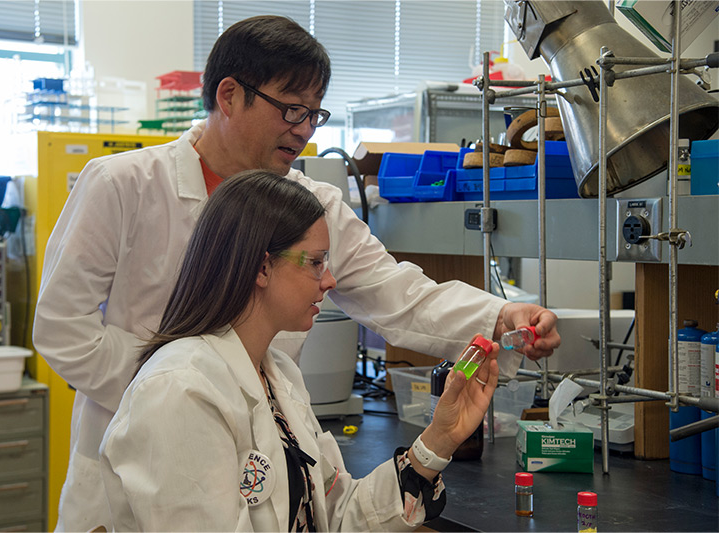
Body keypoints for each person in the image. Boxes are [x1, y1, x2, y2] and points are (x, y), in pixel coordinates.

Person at [33, 15, 561, 531]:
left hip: (273, 454)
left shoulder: (313, 207)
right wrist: (187, 392)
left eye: (314, 114)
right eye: (290, 109)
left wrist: (499, 317)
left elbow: (396, 292)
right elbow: (63, 329)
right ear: (229, 95)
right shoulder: (123, 185)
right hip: (142, 465)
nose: (304, 130)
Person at [99, 170, 502, 531]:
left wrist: (438, 440)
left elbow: (339, 516)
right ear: (261, 267)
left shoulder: (277, 375)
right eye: (315, 262)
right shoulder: (180, 392)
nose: (329, 279)